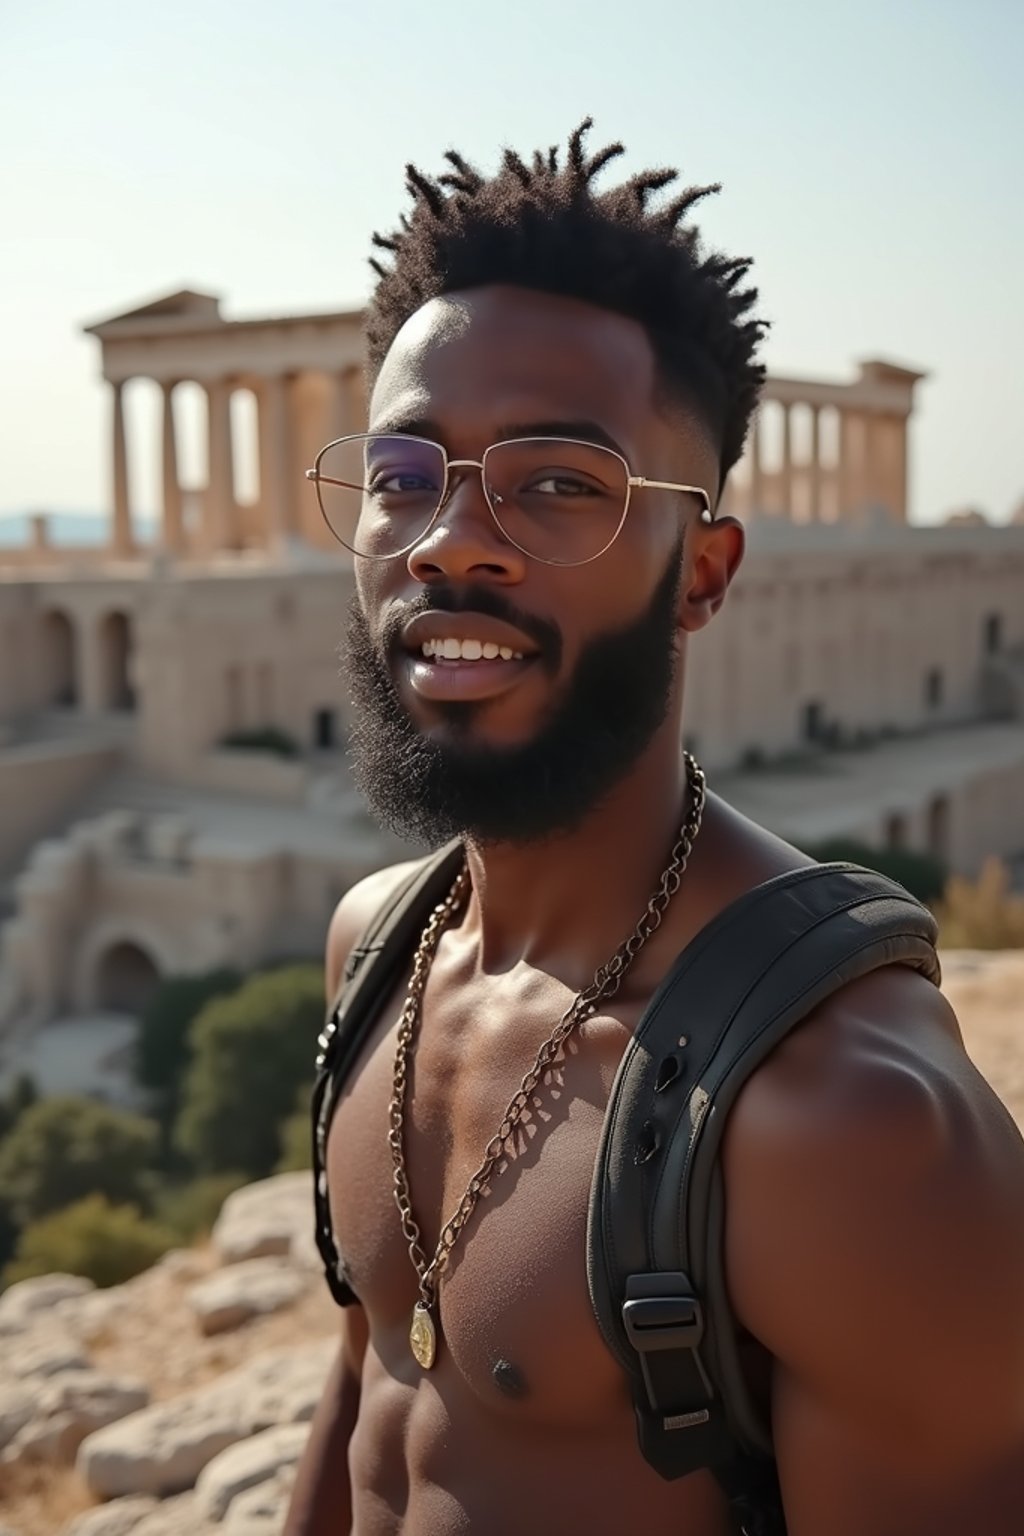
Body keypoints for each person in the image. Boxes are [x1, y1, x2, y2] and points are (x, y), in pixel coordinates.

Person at [284, 122, 1024, 1536]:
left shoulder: (849, 1129)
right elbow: (369, 1396)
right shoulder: (376, 949)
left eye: (560, 483)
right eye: (403, 474)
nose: (452, 536)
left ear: (705, 572)